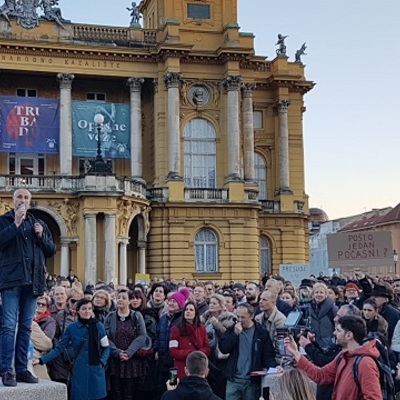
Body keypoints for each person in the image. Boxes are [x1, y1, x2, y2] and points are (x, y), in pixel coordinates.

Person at [0, 188, 56, 386]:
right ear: (12, 200)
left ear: (30, 201)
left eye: (25, 197)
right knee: (8, 327)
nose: (22, 200)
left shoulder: (38, 223)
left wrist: (41, 236)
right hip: (11, 282)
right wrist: (15, 223)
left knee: (25, 327)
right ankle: (7, 370)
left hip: (33, 283)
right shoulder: (4, 220)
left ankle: (22, 369)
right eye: (19, 197)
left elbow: (51, 250)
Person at [284, 315, 383, 400]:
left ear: (349, 335)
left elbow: (373, 397)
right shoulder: (342, 356)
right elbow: (321, 375)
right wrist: (296, 353)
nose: (334, 333)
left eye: (338, 330)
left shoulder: (365, 363)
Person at [33, 298, 110, 400]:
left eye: (89, 309)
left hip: (95, 369)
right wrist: (41, 360)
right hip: (79, 369)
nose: (87, 311)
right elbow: (59, 349)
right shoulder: (72, 328)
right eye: (84, 309)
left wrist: (102, 362)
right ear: (78, 310)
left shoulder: (98, 325)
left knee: (97, 396)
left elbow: (106, 348)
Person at [219, 303, 277, 400]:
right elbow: (224, 349)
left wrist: (275, 366)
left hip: (251, 381)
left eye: (243, 317)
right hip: (234, 379)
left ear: (251, 316)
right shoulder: (232, 329)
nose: (240, 320)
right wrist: (235, 334)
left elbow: (268, 356)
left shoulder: (261, 333)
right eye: (238, 316)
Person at [104, 288, 147, 400]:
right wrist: (118, 352)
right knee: (116, 393)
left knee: (130, 393)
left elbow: (142, 336)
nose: (120, 300)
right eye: (118, 297)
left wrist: (129, 352)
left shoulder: (136, 316)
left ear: (129, 301)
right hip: (115, 360)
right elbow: (105, 337)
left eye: (124, 298)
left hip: (132, 361)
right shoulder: (110, 317)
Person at [170, 301, 210, 379]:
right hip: (178, 369)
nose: (188, 311)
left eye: (191, 310)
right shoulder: (175, 329)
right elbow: (173, 351)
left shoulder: (202, 328)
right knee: (173, 388)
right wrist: (189, 353)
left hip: (198, 370)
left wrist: (196, 354)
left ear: (196, 313)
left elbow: (207, 348)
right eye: (186, 309)